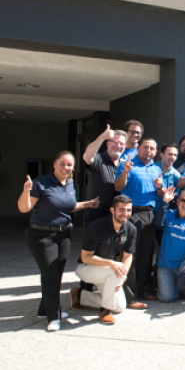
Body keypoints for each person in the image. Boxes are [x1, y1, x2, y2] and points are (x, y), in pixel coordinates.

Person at [17, 151, 100, 331]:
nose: (65, 167)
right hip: (41, 236)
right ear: (54, 164)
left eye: (69, 165)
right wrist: (25, 191)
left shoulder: (69, 184)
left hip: (64, 235)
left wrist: (88, 204)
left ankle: (44, 309)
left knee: (57, 273)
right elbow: (24, 208)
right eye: (62, 163)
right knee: (50, 274)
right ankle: (53, 316)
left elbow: (69, 207)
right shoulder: (40, 183)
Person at [73, 195, 136, 325]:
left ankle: (80, 295)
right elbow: (86, 257)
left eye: (128, 210)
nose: (125, 213)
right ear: (112, 210)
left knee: (119, 307)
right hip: (86, 268)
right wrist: (111, 264)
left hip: (109, 272)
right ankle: (105, 310)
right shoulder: (96, 227)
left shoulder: (131, 229)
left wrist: (122, 277)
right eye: (121, 210)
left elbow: (128, 256)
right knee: (114, 270)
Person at [114, 138, 163, 302]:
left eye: (152, 149)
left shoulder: (156, 169)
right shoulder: (128, 164)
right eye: (145, 147)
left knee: (146, 255)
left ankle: (142, 290)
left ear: (156, 152)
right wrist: (125, 172)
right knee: (130, 254)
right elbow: (118, 188)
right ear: (138, 149)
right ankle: (128, 293)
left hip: (149, 215)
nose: (148, 151)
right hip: (132, 213)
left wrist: (160, 188)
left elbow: (160, 194)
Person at [82, 125, 128, 226]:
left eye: (122, 144)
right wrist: (102, 137)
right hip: (97, 214)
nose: (118, 146)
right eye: (115, 142)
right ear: (108, 144)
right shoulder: (99, 159)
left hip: (118, 215)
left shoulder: (125, 164)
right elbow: (87, 157)